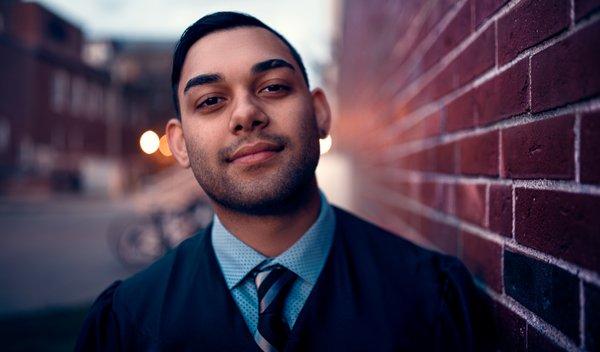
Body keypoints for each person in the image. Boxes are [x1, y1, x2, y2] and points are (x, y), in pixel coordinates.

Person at [76, 11, 494, 351]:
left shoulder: (431, 298)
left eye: (273, 87)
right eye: (210, 101)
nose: (245, 114)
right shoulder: (127, 323)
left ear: (320, 115)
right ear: (180, 144)